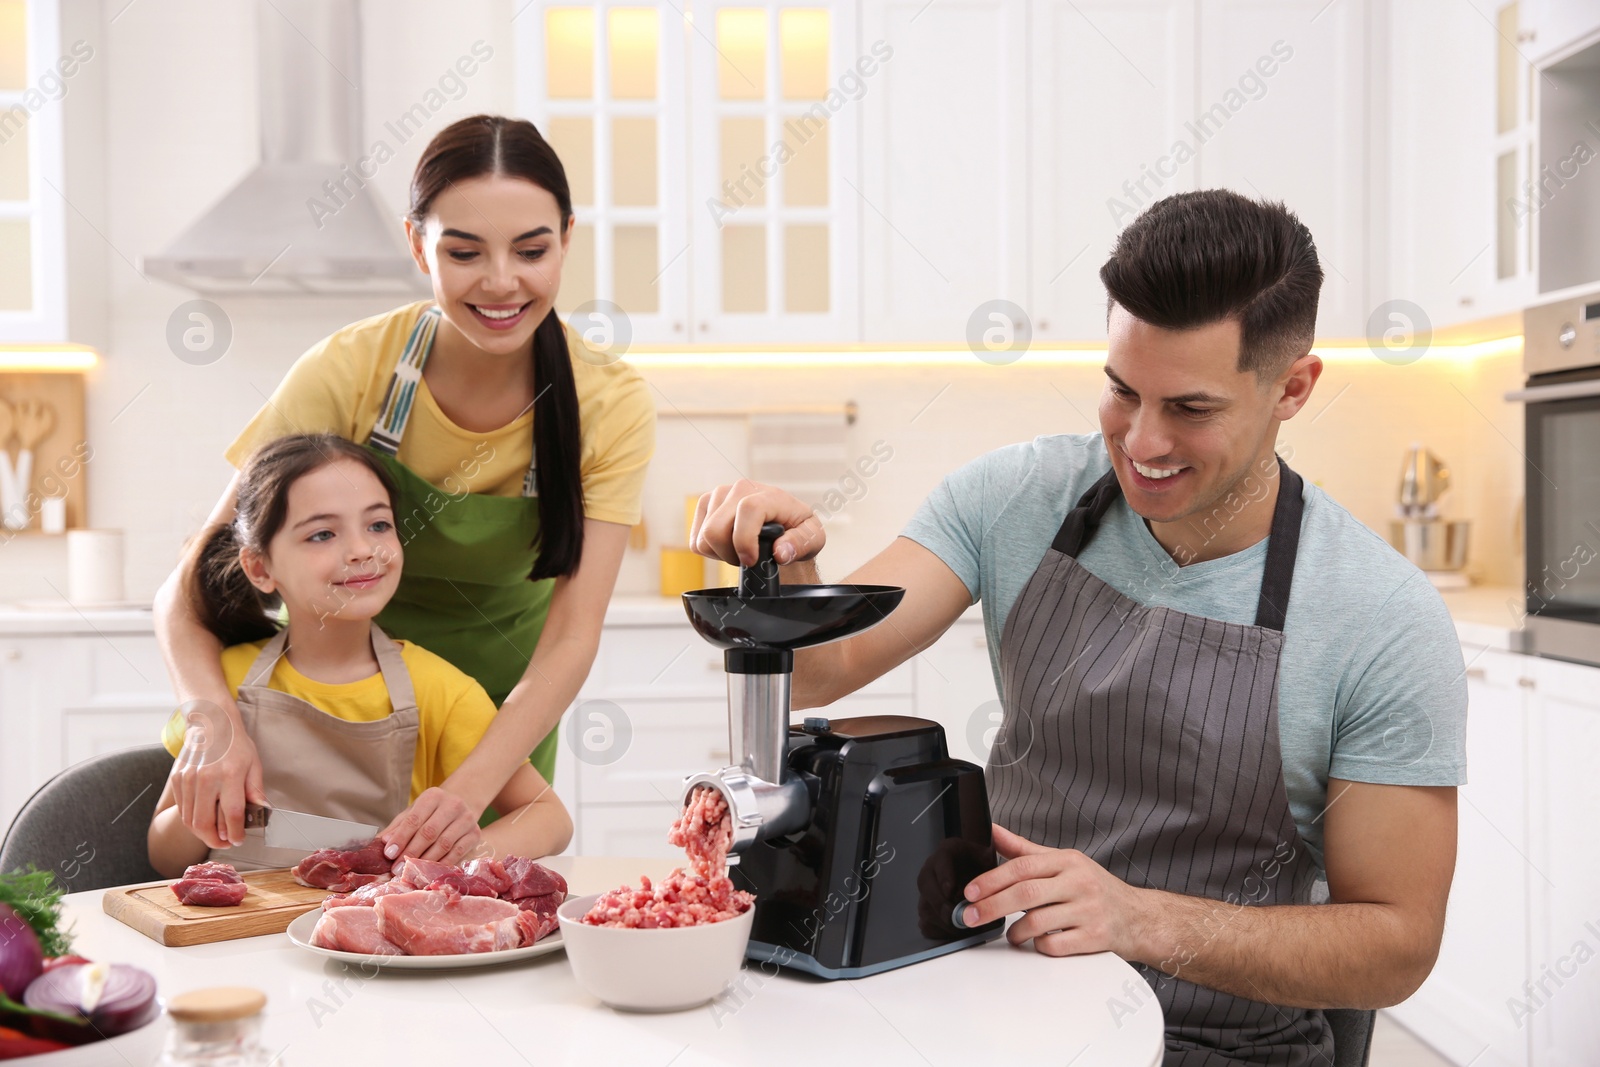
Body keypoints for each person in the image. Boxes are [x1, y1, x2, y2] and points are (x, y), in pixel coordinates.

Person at [690, 190, 1464, 1065]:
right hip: (997, 1000)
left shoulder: (1380, 616)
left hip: (1219, 1042)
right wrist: (786, 559)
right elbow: (827, 667)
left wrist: (1139, 916)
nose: (1141, 440)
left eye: (1191, 409)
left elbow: (1398, 943)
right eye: (1120, 389)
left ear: (1294, 387)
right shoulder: (1012, 499)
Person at [153, 115, 653, 865]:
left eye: (531, 249)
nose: (500, 281)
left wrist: (471, 787)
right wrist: (212, 722)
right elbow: (192, 584)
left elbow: (572, 635)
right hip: (326, 693)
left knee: (454, 916)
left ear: (568, 239)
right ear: (418, 244)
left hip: (491, 724)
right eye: (463, 251)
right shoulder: (351, 370)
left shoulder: (607, 405)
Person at [148, 435, 572, 877]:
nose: (362, 550)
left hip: (373, 941)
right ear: (260, 568)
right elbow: (162, 856)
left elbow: (551, 820)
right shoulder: (224, 682)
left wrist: (462, 854)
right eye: (323, 534)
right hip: (231, 939)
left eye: (378, 525)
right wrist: (205, 811)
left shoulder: (442, 691)